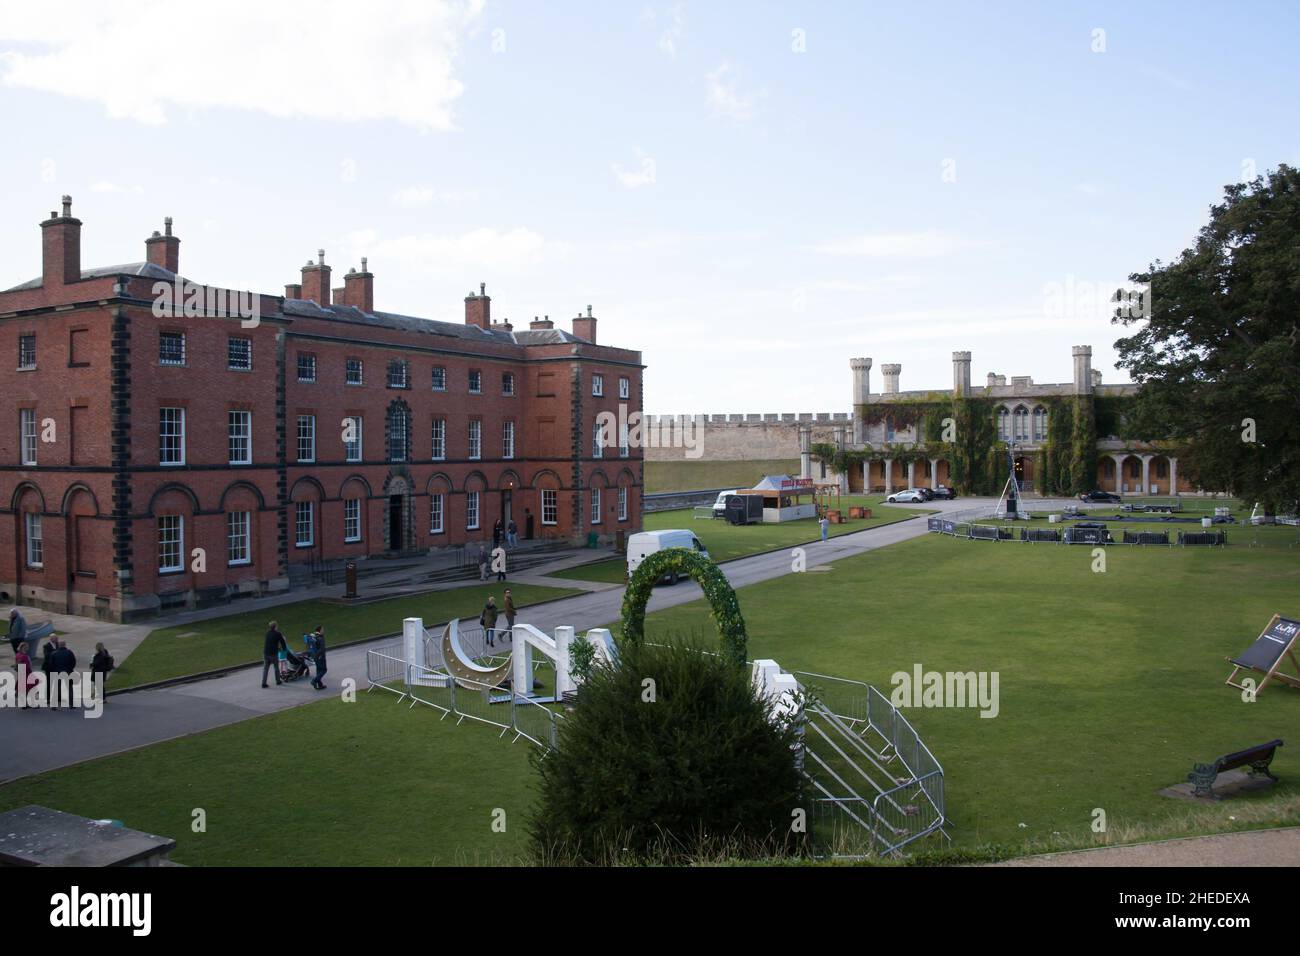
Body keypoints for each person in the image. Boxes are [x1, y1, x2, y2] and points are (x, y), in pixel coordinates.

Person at [50, 639, 77, 708]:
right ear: (65, 645)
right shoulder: (69, 652)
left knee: (56, 688)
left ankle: (54, 706)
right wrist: (70, 668)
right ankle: (71, 704)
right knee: (70, 688)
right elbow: (73, 662)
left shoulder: (54, 653)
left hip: (57, 672)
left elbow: (51, 664)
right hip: (68, 672)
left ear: (58, 645)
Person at [262, 621, 286, 688]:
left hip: (266, 652)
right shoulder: (278, 634)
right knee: (276, 668)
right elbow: (282, 642)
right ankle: (278, 681)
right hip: (273, 654)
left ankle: (263, 683)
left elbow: (270, 642)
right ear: (275, 626)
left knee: (265, 669)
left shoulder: (267, 633)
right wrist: (284, 649)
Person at [306, 626, 328, 691]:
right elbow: (322, 649)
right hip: (320, 656)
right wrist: (319, 656)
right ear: (320, 630)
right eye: (322, 629)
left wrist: (315, 656)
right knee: (324, 670)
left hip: (315, 656)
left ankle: (319, 684)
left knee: (319, 670)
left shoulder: (314, 637)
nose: (323, 631)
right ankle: (314, 681)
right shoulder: (320, 638)